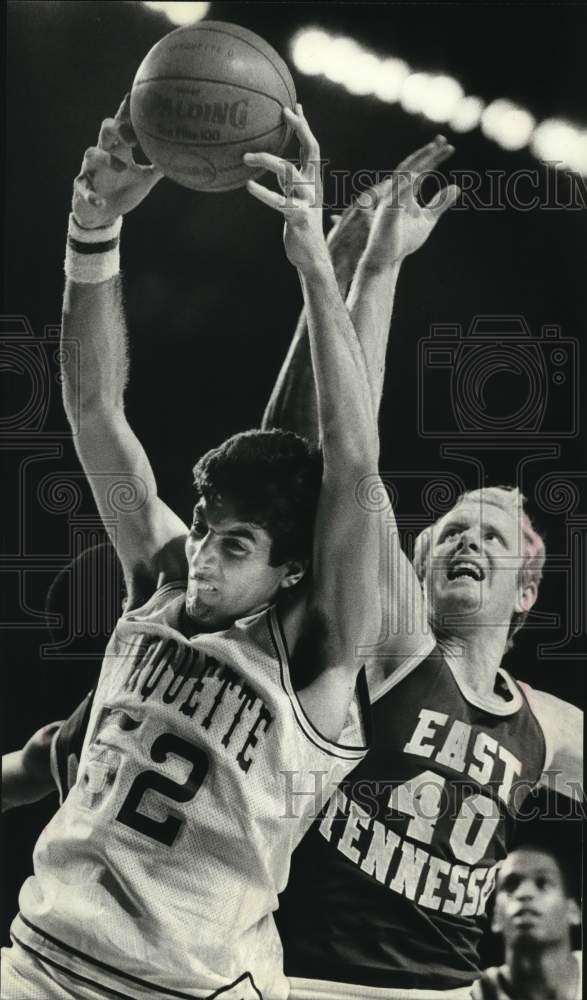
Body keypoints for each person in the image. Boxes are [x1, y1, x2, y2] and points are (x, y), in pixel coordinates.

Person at [1, 99, 383, 1000]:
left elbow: (355, 463)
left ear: (291, 568)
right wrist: (91, 227)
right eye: (206, 526)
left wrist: (313, 264)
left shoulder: (318, 652)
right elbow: (96, 413)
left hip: (186, 988)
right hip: (41, 959)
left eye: (235, 543)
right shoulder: (164, 577)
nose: (204, 551)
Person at [261, 151, 583, 996]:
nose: (462, 541)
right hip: (313, 979)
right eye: (444, 532)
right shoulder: (398, 641)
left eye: (489, 534)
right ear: (413, 564)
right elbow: (349, 453)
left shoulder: (546, 726)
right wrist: (378, 264)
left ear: (526, 591)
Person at [472, 847, 581, 999]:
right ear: (496, 916)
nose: (524, 893)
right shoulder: (471, 994)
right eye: (511, 885)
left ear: (573, 911)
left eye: (542, 883)